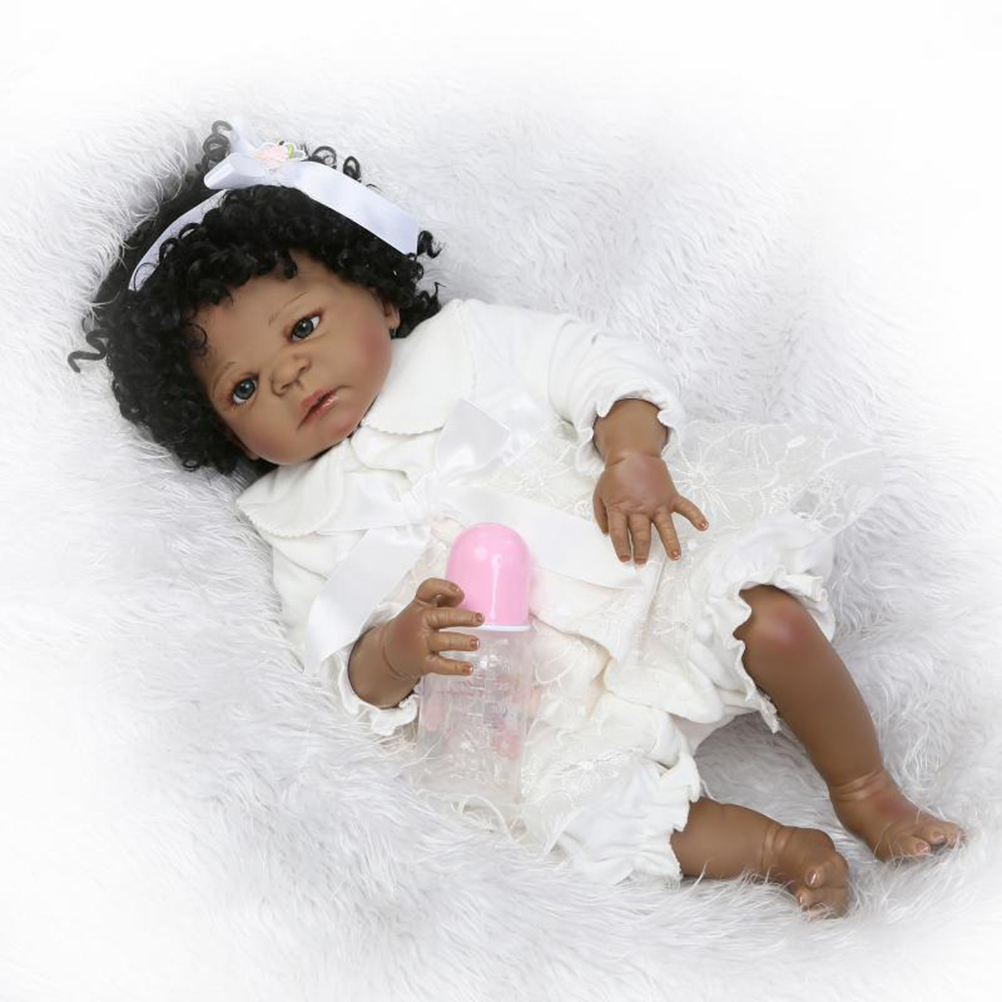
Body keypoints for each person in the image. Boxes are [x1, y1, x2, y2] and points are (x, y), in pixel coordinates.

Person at [67, 116, 966, 920]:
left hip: (646, 572)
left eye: (302, 328)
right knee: (589, 818)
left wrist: (632, 454)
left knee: (771, 620)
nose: (289, 375)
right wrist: (398, 652)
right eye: (244, 388)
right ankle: (779, 849)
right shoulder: (291, 518)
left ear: (379, 294)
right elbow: (339, 666)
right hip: (534, 705)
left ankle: (865, 789)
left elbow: (594, 366)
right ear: (222, 433)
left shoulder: (466, 345)